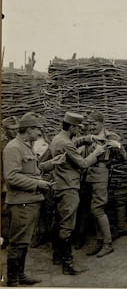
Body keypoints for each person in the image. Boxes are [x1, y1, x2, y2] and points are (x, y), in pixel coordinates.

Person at [3, 112, 64, 286]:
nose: (40, 132)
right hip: (21, 202)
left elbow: (33, 169)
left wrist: (53, 163)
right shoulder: (14, 148)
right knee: (18, 242)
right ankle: (12, 280)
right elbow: (11, 177)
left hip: (29, 201)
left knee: (24, 241)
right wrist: (38, 184)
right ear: (29, 129)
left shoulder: (25, 145)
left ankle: (20, 275)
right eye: (38, 129)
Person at [49, 112, 105, 275]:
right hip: (69, 187)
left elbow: (72, 143)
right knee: (67, 225)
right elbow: (83, 163)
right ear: (72, 127)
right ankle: (68, 265)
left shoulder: (57, 138)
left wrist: (88, 139)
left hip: (59, 185)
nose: (80, 130)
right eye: (78, 128)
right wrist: (97, 153)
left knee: (58, 220)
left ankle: (57, 256)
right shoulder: (66, 143)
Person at [74, 110, 122, 258]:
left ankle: (107, 244)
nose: (91, 127)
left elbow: (122, 154)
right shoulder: (89, 138)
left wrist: (114, 146)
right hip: (89, 176)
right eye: (89, 124)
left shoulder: (111, 137)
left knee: (98, 209)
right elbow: (74, 143)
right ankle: (100, 240)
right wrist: (88, 138)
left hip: (101, 175)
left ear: (102, 123)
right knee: (94, 209)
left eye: (94, 124)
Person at [1, 116, 19, 250]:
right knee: (4, 212)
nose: (15, 131)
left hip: (17, 181)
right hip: (4, 181)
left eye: (17, 129)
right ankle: (4, 239)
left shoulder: (21, 142)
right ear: (5, 129)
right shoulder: (2, 144)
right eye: (12, 129)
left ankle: (14, 238)